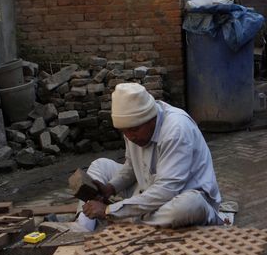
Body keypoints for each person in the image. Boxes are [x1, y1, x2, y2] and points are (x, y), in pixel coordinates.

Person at [74, 82, 223, 229]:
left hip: (181, 196)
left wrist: (109, 210)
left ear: (151, 119)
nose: (129, 136)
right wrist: (111, 188)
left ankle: (127, 217)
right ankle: (82, 228)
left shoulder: (176, 129)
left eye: (134, 130)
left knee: (188, 206)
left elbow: (166, 190)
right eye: (124, 131)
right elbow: (132, 167)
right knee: (99, 166)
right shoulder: (132, 125)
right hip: (148, 188)